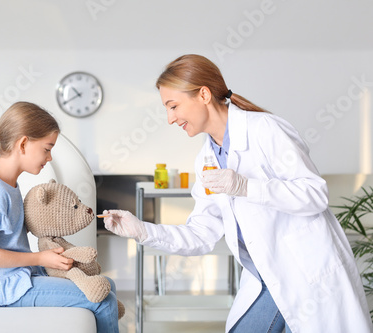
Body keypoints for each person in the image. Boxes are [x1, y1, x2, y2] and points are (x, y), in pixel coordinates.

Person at [103, 55, 373, 333]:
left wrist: (246, 187)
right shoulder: (207, 158)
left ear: (204, 94)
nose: (170, 119)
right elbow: (201, 234)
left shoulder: (265, 130)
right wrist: (142, 231)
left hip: (305, 276)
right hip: (263, 278)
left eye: (173, 106)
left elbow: (315, 194)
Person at [0, 101, 119, 333]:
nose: (50, 157)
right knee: (104, 301)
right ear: (23, 144)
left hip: (17, 277)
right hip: (1, 286)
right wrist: (41, 259)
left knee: (107, 284)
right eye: (47, 148)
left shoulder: (8, 184)